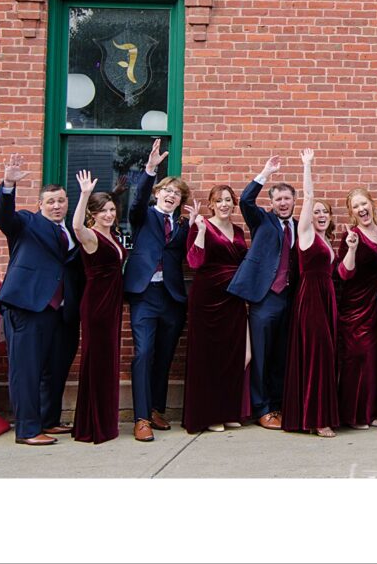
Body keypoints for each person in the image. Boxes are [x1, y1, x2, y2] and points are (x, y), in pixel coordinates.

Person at [0, 153, 83, 446]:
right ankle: (28, 430)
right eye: (51, 202)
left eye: (61, 200)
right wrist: (8, 184)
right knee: (27, 369)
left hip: (61, 311)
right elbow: (3, 216)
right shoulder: (26, 223)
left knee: (54, 368)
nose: (57, 206)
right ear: (40, 205)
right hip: (28, 305)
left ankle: (48, 420)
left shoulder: (70, 231)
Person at [122, 139, 191, 442]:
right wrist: (149, 169)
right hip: (145, 294)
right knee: (144, 352)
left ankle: (156, 409)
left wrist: (198, 228)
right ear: (157, 193)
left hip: (172, 297)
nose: (172, 196)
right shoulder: (144, 216)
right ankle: (140, 418)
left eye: (177, 193)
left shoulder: (183, 225)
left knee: (164, 355)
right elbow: (135, 202)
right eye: (167, 191)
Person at [227, 155, 299, 431]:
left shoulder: (297, 225)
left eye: (287, 199)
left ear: (293, 200)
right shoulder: (262, 221)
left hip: (289, 298)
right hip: (264, 297)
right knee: (261, 355)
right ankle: (262, 408)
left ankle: (278, 404)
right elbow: (245, 201)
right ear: (272, 202)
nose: (283, 203)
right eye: (278, 199)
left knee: (282, 354)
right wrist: (265, 173)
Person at [282, 149, 339, 437]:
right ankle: (317, 419)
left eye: (323, 212)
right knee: (317, 355)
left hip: (327, 298)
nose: (319, 214)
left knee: (325, 355)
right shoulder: (305, 234)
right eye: (315, 211)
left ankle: (317, 414)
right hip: (311, 298)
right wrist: (307, 166)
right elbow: (307, 196)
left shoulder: (328, 242)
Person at [182, 186, 248, 434]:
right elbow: (194, 262)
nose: (223, 204)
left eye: (228, 200)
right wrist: (198, 231)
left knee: (232, 356)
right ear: (211, 204)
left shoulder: (239, 231)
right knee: (208, 358)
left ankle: (227, 411)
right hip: (207, 301)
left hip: (233, 299)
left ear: (234, 204)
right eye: (218, 200)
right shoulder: (202, 226)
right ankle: (207, 415)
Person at [70, 171, 126, 444]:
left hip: (112, 305)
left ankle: (105, 420)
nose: (109, 214)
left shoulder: (113, 236)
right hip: (97, 306)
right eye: (103, 211)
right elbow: (76, 227)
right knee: (97, 362)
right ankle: (92, 424)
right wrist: (82, 196)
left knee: (108, 362)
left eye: (112, 209)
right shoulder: (90, 236)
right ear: (93, 213)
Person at [336, 188, 377, 429]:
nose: (361, 209)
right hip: (356, 307)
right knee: (358, 357)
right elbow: (344, 274)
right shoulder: (352, 236)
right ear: (351, 212)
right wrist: (352, 249)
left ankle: (372, 410)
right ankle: (353, 415)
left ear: (372, 204)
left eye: (364, 203)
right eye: (356, 207)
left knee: (376, 358)